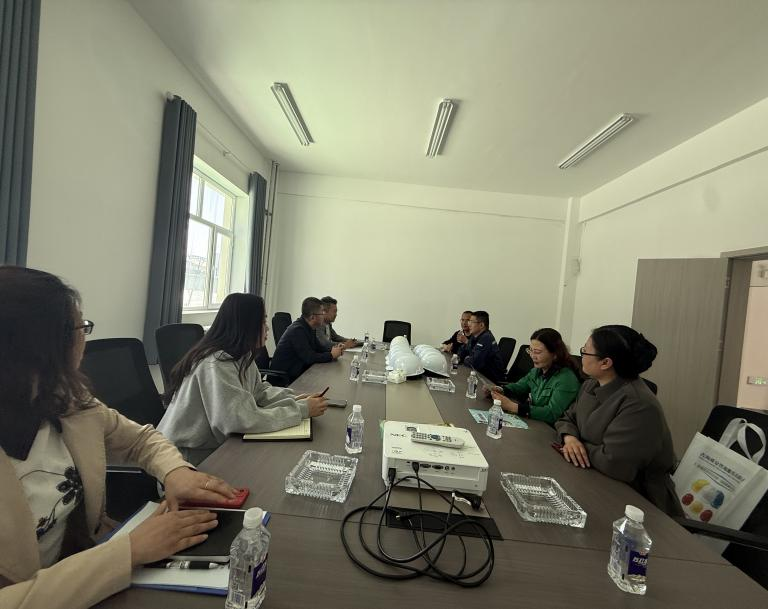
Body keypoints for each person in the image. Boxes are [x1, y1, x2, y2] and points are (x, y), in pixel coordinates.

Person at [0, 266, 237, 609]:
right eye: (80, 327)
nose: (84, 338)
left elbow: (140, 440)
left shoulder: (66, 400)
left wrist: (175, 472)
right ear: (41, 345)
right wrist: (129, 551)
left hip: (94, 565)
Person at [158, 293, 328, 466]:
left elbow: (259, 392)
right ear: (246, 324)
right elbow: (239, 420)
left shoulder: (242, 355)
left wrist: (295, 398)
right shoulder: (216, 363)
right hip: (182, 460)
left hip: (212, 446)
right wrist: (301, 410)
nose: (267, 328)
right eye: (263, 321)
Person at [554, 325, 680, 515]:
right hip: (592, 478)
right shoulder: (590, 385)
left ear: (605, 363)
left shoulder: (639, 404)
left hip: (637, 504)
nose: (581, 356)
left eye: (585, 351)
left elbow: (615, 464)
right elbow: (567, 417)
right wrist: (570, 439)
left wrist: (579, 446)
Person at [487, 328, 581, 425]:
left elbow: (552, 413)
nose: (532, 356)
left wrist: (512, 407)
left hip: (551, 429)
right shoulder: (536, 371)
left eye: (537, 352)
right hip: (536, 422)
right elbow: (519, 387)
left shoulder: (566, 379)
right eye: (530, 350)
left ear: (555, 354)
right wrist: (500, 390)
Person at [271, 297, 343, 384]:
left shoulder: (310, 327)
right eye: (322, 312)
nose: (324, 315)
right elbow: (309, 357)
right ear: (312, 317)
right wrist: (331, 355)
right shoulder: (297, 330)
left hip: (298, 372)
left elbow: (319, 348)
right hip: (284, 380)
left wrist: (335, 349)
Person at [457, 310, 506, 383]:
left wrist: (466, 358)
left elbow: (474, 363)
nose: (469, 324)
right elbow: (462, 351)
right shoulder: (475, 336)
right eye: (469, 321)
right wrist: (462, 357)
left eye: (472, 322)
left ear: (481, 325)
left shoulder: (486, 338)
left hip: (491, 381)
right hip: (479, 375)